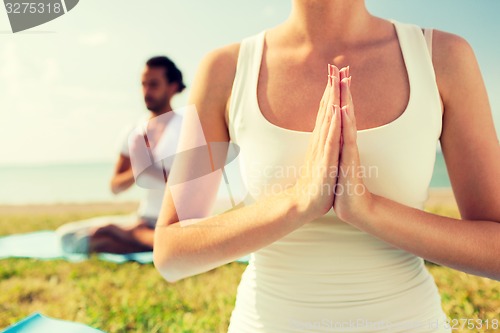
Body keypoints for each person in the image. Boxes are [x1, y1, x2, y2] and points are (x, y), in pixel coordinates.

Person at [153, 1, 500, 332]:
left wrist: (369, 210)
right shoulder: (225, 69)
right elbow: (171, 253)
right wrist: (299, 202)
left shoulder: (441, 57)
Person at [57, 56, 186, 254]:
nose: (146, 91)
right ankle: (135, 238)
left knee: (103, 236)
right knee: (67, 235)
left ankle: (128, 235)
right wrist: (139, 169)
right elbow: (116, 186)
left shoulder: (187, 128)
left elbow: (191, 185)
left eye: (153, 85)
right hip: (145, 220)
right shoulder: (134, 131)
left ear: (172, 87)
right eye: (143, 84)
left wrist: (148, 168)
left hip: (177, 222)